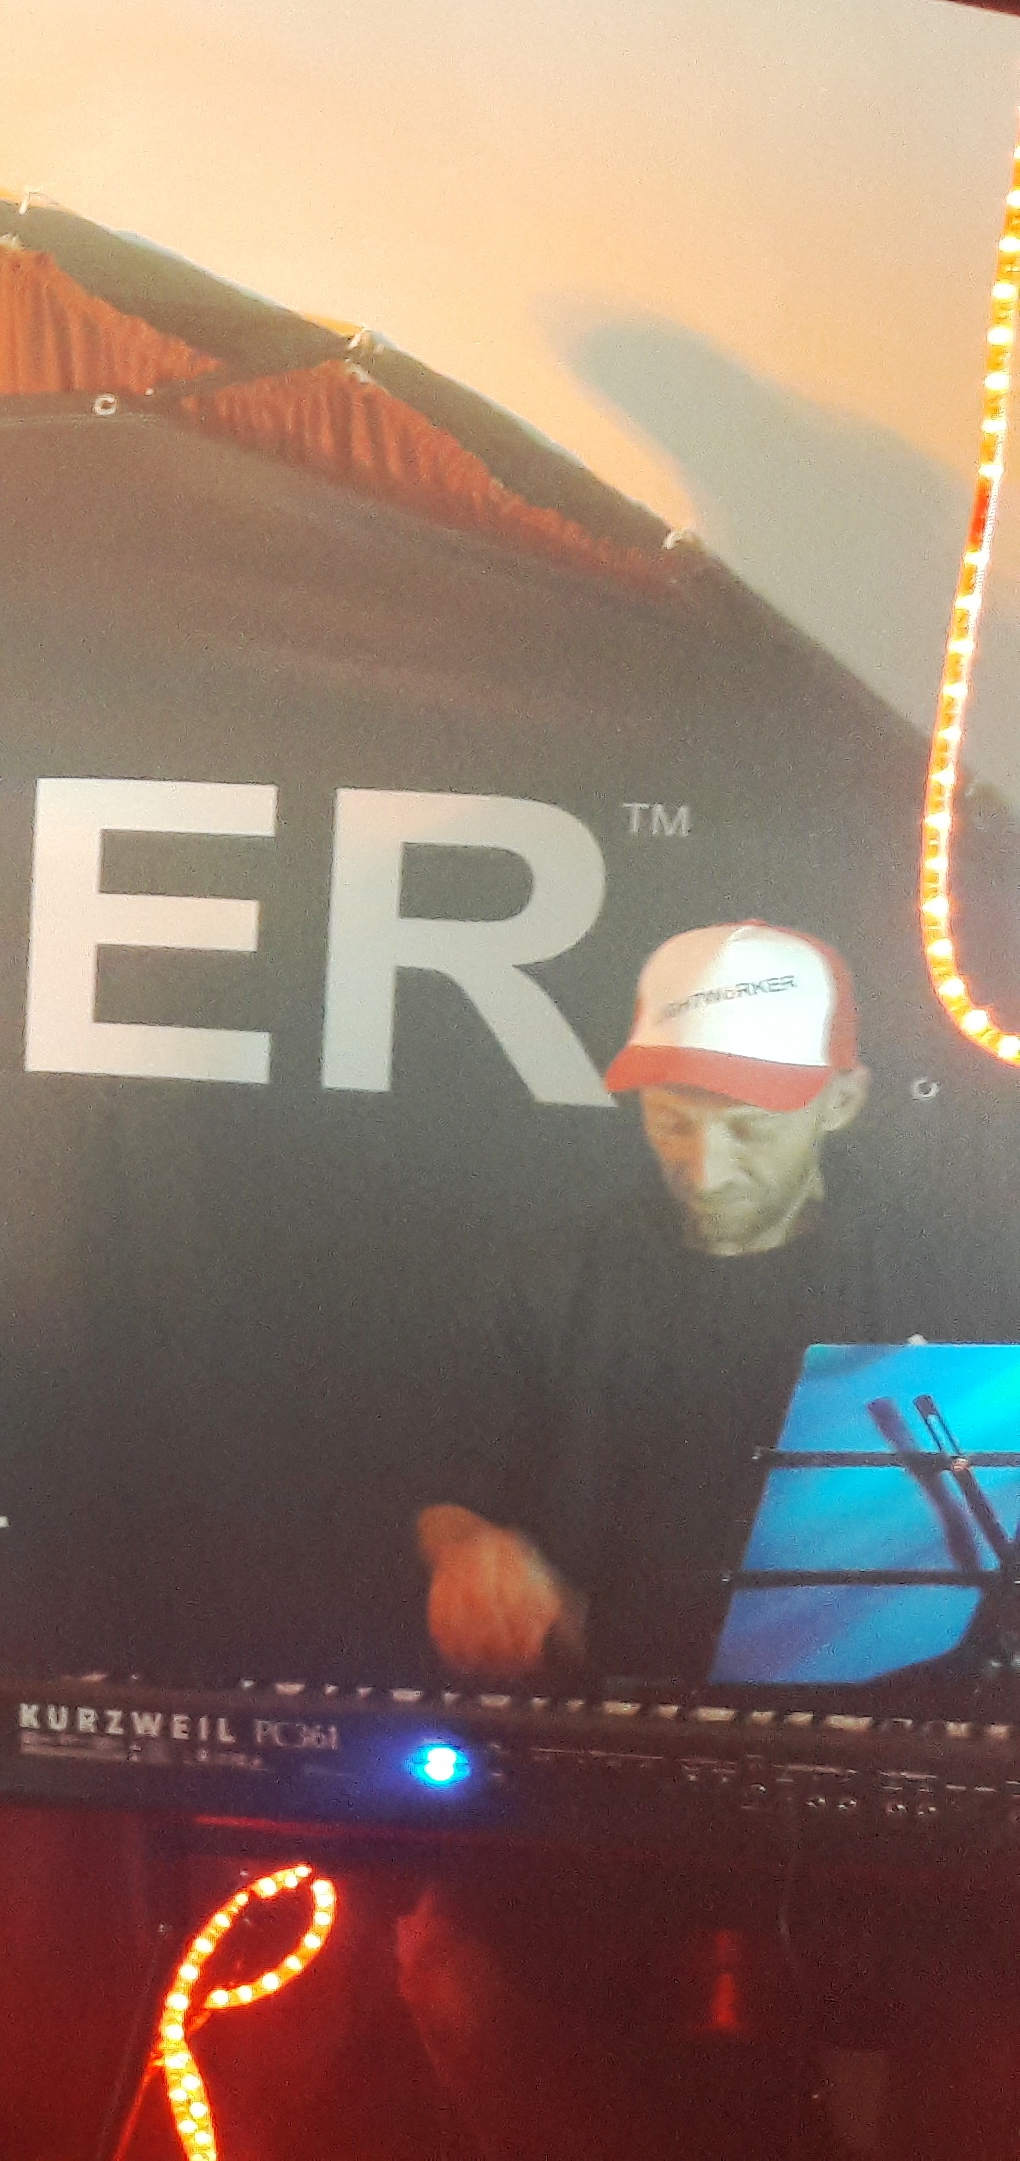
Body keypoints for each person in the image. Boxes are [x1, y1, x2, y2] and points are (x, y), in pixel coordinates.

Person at [403, 920, 1020, 2160]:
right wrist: (470, 1552)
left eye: (749, 1129)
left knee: (971, 2025)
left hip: (884, 1748)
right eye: (673, 1122)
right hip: (606, 1741)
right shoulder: (557, 1277)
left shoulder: (948, 1277)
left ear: (842, 1103)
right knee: (450, 1967)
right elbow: (449, 1488)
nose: (704, 1166)